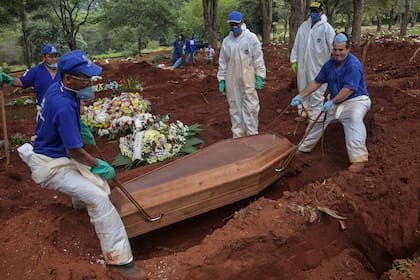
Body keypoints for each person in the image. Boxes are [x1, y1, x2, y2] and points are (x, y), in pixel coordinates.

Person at [17, 50, 147, 279]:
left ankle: (80, 209)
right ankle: (120, 261)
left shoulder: (59, 89)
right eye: (85, 78)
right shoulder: (64, 105)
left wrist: (80, 127)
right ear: (68, 78)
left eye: (90, 78)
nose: (90, 83)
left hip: (55, 153)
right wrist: (100, 166)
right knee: (99, 196)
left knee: (93, 184)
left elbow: (68, 129)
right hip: (52, 164)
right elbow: (74, 151)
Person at [290, 32, 371, 173]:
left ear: (348, 49)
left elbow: (349, 89)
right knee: (317, 118)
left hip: (355, 100)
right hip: (335, 100)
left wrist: (331, 102)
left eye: (341, 50)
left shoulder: (353, 64)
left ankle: (359, 159)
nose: (337, 53)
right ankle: (303, 148)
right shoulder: (329, 65)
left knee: (353, 119)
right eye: (335, 49)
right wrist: (301, 96)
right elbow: (317, 82)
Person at [217, 11, 266, 138]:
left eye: (236, 24)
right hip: (231, 80)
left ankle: (252, 135)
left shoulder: (251, 39)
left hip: (248, 78)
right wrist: (222, 79)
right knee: (234, 108)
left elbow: (258, 58)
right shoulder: (227, 42)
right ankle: (238, 136)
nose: (234, 27)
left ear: (242, 23)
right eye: (232, 24)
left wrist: (260, 76)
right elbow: (222, 62)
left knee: (251, 107)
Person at [289, 0, 335, 122]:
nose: (313, 14)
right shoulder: (304, 26)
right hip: (303, 65)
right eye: (312, 11)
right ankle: (304, 111)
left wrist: (333, 65)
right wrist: (294, 60)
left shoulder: (327, 29)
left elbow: (333, 49)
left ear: (321, 12)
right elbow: (297, 44)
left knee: (316, 92)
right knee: (303, 88)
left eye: (316, 11)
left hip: (318, 66)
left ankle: (315, 117)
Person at [0, 44, 61, 108]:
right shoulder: (35, 71)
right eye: (51, 57)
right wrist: (8, 79)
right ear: (44, 57)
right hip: (44, 109)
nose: (54, 59)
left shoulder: (63, 70)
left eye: (56, 56)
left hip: (63, 107)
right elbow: (22, 82)